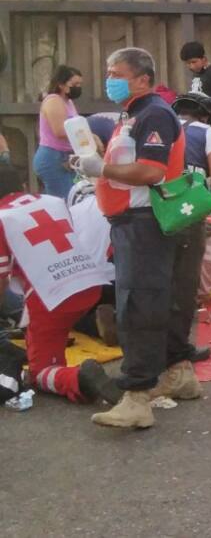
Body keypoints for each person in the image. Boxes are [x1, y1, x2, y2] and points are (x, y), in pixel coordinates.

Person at [74, 47, 205, 429]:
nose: (109, 79)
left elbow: (151, 170)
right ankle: (179, 371)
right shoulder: (133, 115)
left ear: (143, 79)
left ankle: (137, 396)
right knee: (164, 298)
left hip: (145, 222)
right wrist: (96, 168)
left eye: (117, 73)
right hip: (138, 220)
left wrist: (103, 167)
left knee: (138, 304)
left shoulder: (154, 114)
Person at [0, 166, 119, 406]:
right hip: (89, 283)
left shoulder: (3, 218)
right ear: (23, 186)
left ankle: (78, 379)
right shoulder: (52, 201)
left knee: (40, 371)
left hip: (51, 298)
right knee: (59, 326)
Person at [171, 92, 211, 361]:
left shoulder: (161, 127)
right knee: (186, 281)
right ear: (208, 116)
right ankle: (179, 348)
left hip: (153, 209)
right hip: (188, 212)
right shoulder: (207, 132)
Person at [34, 65, 83, 199]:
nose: (78, 87)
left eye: (80, 84)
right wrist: (87, 134)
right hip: (54, 157)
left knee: (73, 198)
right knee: (64, 201)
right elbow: (60, 131)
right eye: (74, 84)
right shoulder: (54, 101)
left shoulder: (68, 101)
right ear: (61, 84)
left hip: (66, 157)